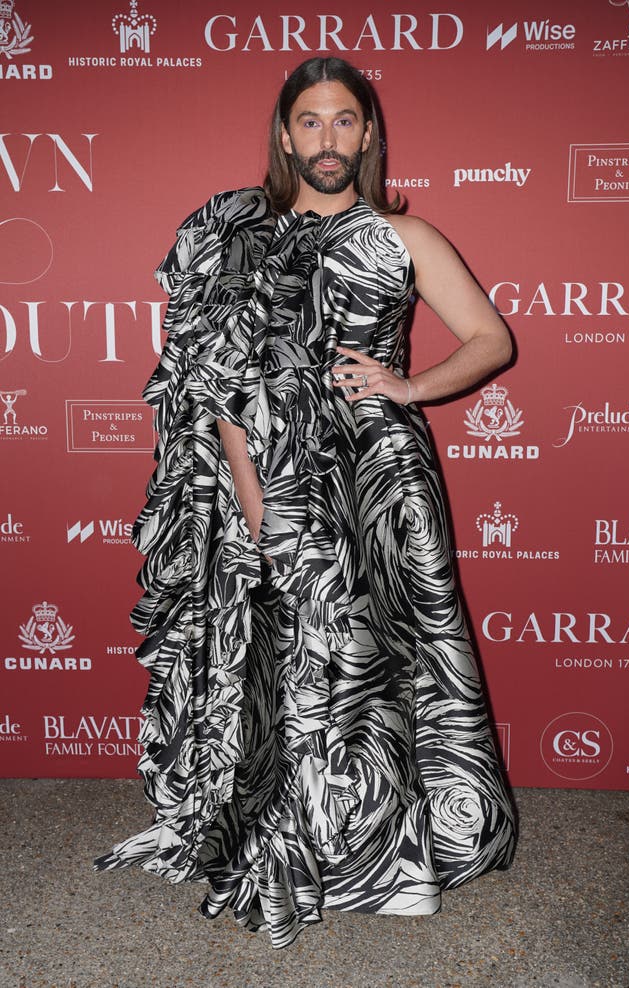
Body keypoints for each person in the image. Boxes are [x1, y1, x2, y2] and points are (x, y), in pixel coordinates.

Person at [94, 56, 517, 949]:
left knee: (387, 652)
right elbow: (218, 392)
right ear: (286, 135)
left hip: (381, 478)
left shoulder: (407, 238)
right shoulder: (234, 234)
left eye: (345, 122)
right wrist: (256, 506)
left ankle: (395, 849)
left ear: (369, 134)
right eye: (311, 123)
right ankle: (308, 839)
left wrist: (408, 385)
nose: (328, 140)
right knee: (293, 653)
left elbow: (491, 339)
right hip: (280, 479)